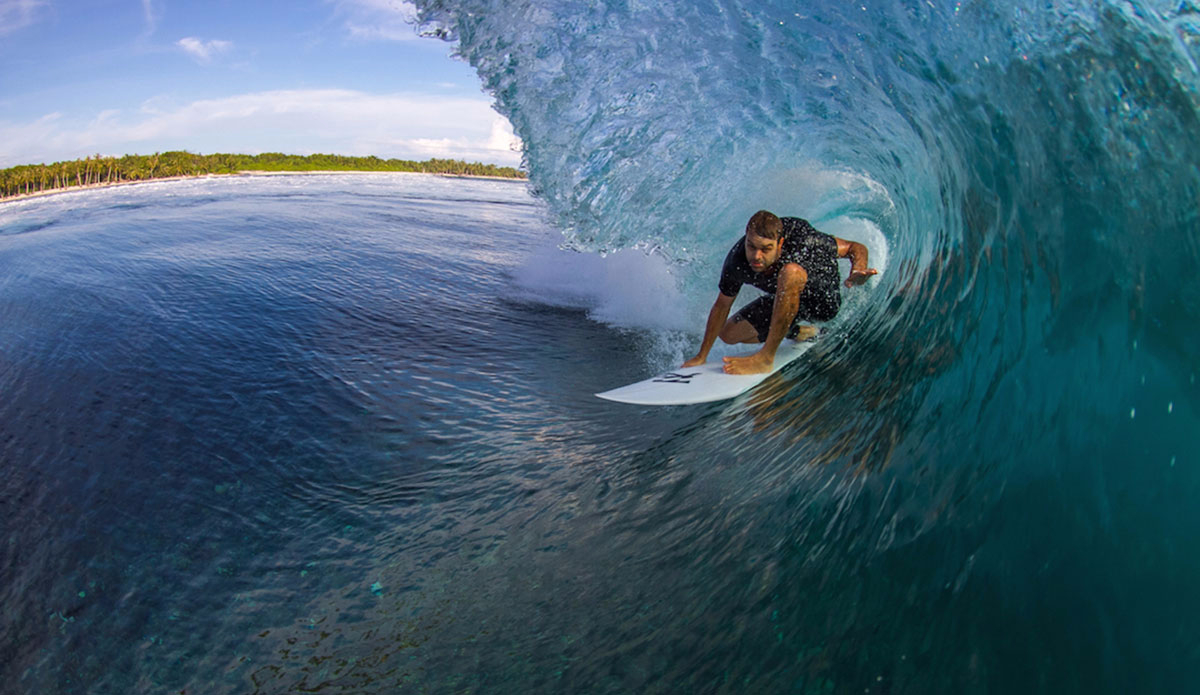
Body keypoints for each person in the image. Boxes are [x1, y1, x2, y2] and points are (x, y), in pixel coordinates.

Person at [682, 210, 877, 375]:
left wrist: (858, 270)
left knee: (791, 272)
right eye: (751, 246)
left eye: (766, 249)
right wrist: (701, 356)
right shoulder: (737, 261)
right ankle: (801, 332)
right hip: (786, 301)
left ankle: (766, 358)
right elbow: (722, 305)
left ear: (780, 244)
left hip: (822, 303)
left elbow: (853, 247)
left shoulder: (804, 240)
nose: (756, 256)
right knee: (728, 333)